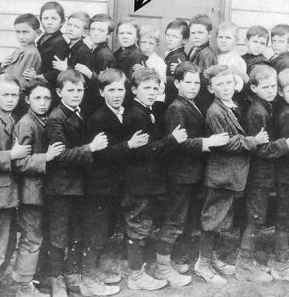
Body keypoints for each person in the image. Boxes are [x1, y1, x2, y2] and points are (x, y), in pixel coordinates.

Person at [45, 69, 119, 297]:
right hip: (62, 188)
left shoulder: (77, 113)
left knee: (77, 233)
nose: (76, 94)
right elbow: (60, 155)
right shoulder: (56, 118)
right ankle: (57, 282)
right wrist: (90, 148)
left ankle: (74, 279)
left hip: (78, 187)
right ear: (59, 92)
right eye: (70, 90)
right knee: (59, 235)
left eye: (79, 90)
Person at [195, 65, 269, 286]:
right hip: (221, 175)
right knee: (212, 221)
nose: (226, 88)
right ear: (210, 88)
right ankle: (203, 264)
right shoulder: (215, 111)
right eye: (220, 84)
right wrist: (253, 141)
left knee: (221, 220)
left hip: (231, 175)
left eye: (229, 83)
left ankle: (213, 259)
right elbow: (225, 143)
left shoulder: (232, 104)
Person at [161, 61, 229, 284]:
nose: (193, 86)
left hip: (191, 173)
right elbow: (178, 144)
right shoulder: (176, 108)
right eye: (188, 82)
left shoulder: (192, 103)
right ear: (177, 83)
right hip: (180, 174)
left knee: (185, 219)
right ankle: (163, 267)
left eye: (196, 82)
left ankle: (174, 260)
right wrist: (207, 142)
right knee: (174, 220)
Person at [122, 67, 188, 291]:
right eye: (146, 88)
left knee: (144, 225)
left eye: (155, 88)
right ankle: (135, 275)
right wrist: (172, 139)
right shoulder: (135, 114)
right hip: (138, 181)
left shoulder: (149, 109)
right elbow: (143, 150)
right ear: (133, 89)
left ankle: (150, 269)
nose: (151, 92)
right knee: (138, 227)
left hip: (149, 181)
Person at [84, 68, 149, 285]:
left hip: (119, 183)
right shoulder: (98, 118)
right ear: (101, 92)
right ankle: (89, 274)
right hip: (101, 185)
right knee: (99, 230)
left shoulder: (126, 114)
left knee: (112, 229)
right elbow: (101, 154)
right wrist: (129, 145)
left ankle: (106, 268)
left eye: (120, 89)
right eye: (111, 90)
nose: (117, 94)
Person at [236, 65, 289, 283]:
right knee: (256, 219)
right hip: (259, 175)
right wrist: (286, 144)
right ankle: (244, 265)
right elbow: (260, 149)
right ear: (254, 88)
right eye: (266, 87)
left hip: (266, 174)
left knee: (258, 218)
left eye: (273, 86)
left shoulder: (267, 106)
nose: (271, 90)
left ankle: (257, 261)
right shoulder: (257, 112)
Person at [12, 79, 65, 297]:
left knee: (39, 237)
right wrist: (47, 157)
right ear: (27, 99)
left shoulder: (43, 119)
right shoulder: (26, 123)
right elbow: (19, 162)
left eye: (46, 98)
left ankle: (34, 280)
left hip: (42, 190)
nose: (43, 103)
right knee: (31, 239)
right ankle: (24, 289)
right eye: (37, 98)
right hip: (30, 193)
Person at [0, 75, 31, 297]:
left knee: (5, 247)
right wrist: (12, 154)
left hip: (7, 194)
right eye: (5, 94)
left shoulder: (10, 117)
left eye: (14, 95)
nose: (10, 99)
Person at [0, 14, 42, 119]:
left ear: (37, 33)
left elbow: (18, 80)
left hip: (17, 99)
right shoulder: (20, 50)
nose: (21, 36)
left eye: (25, 32)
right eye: (18, 32)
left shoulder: (31, 53)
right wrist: (2, 66)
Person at [271, 68, 289, 281]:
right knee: (284, 219)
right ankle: (280, 264)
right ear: (281, 92)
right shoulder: (287, 115)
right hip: (287, 176)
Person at [24, 2, 69, 106]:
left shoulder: (60, 43)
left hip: (49, 87)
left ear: (62, 22)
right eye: (46, 18)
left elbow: (57, 71)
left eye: (54, 18)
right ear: (41, 20)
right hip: (36, 83)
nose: (49, 22)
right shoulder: (42, 38)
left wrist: (38, 76)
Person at [52, 11, 93, 117]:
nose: (71, 28)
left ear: (85, 33)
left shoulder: (84, 51)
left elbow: (84, 79)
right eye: (69, 25)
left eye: (76, 27)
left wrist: (66, 68)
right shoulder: (68, 47)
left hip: (79, 99)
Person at [75, 13, 116, 114]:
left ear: (109, 35)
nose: (95, 33)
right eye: (93, 29)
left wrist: (89, 73)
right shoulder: (94, 49)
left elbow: (106, 83)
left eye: (101, 30)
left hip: (98, 105)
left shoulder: (105, 55)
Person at [114, 18, 147, 107]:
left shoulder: (137, 55)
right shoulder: (117, 53)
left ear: (137, 37)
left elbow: (133, 82)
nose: (125, 36)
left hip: (127, 99)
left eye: (129, 33)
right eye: (121, 33)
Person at [216, 22, 248, 92]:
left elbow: (239, 84)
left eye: (228, 38)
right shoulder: (216, 58)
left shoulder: (238, 60)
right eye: (220, 37)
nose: (223, 41)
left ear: (236, 40)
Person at [164, 19, 189, 107]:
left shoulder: (177, 58)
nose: (169, 39)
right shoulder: (174, 55)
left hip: (172, 100)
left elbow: (175, 82)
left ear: (184, 40)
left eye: (174, 36)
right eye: (168, 35)